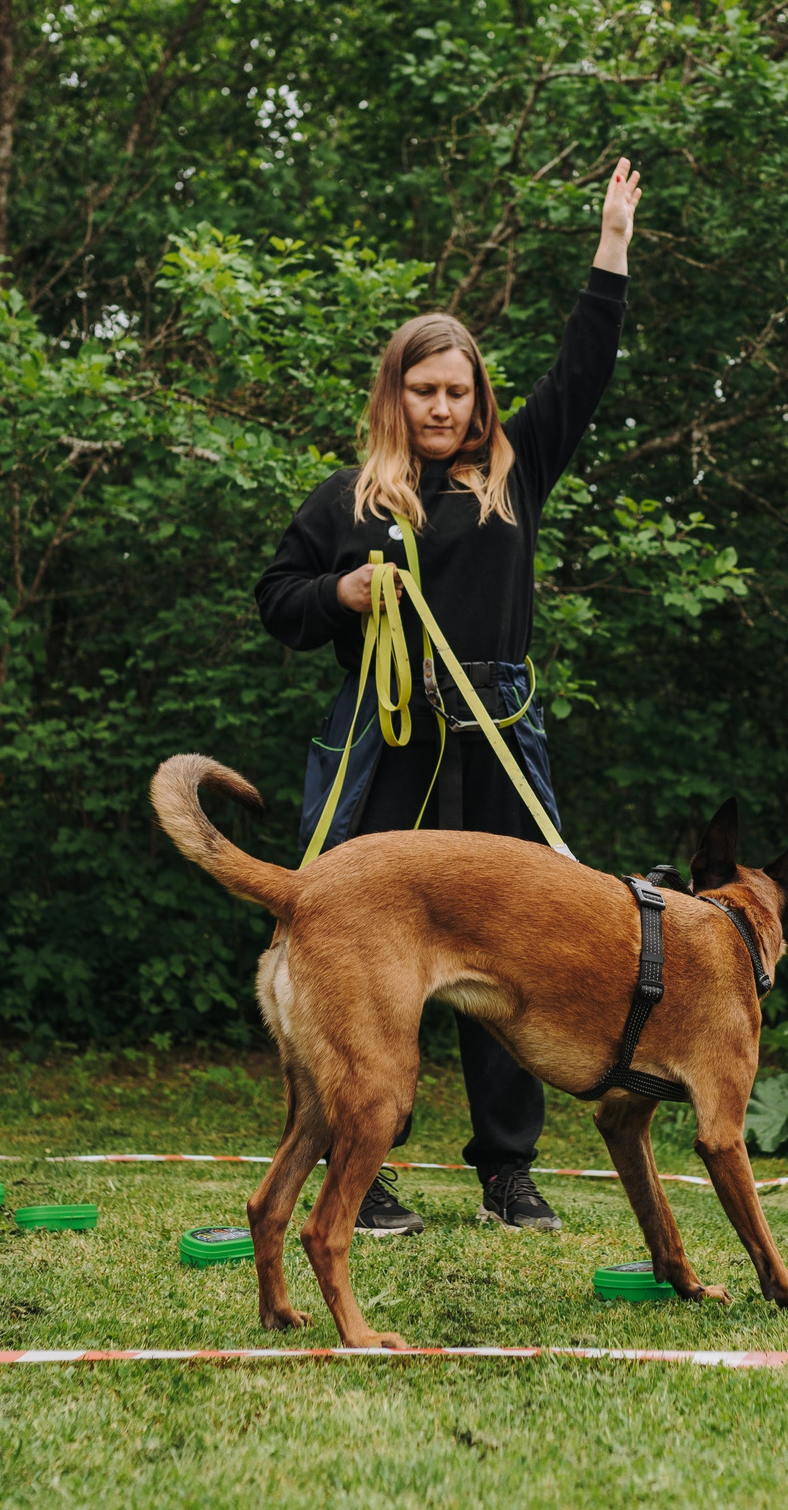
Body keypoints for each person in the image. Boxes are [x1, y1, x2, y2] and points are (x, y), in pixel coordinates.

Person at [254, 157, 644, 1235]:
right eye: (422, 390)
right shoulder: (349, 499)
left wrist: (610, 248)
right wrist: (339, 589)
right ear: (396, 396)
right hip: (387, 747)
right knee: (365, 957)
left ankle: (508, 1169)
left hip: (500, 742)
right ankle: (359, 1163)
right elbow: (275, 601)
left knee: (519, 959)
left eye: (456, 390)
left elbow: (583, 371)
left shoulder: (511, 477)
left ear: (476, 399)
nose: (439, 406)